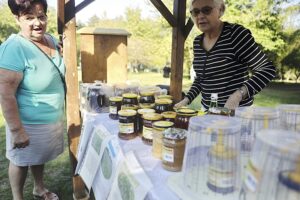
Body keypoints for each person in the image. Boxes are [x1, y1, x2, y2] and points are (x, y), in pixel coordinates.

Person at [0, 0, 65, 199]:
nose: (37, 23)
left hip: (50, 119)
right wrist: (17, 131)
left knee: (39, 157)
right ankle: (18, 197)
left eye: (41, 16)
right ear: (17, 19)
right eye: (29, 18)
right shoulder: (14, 47)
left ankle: (39, 188)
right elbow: (5, 93)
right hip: (27, 122)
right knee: (20, 161)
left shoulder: (51, 40)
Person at [174, 0, 276, 111]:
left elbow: (267, 69)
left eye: (206, 10)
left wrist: (238, 95)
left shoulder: (236, 34)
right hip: (208, 110)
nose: (200, 16)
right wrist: (187, 99)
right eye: (195, 12)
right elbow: (201, 79)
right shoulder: (197, 42)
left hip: (236, 112)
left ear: (221, 10)